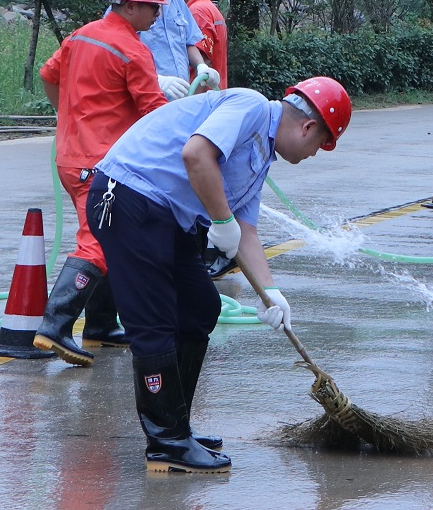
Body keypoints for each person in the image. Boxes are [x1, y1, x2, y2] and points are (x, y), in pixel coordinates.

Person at [90, 77, 351, 473]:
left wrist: (272, 293)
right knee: (156, 321)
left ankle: (177, 424)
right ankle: (166, 443)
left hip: (164, 214)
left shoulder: (262, 158)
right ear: (308, 127)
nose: (316, 154)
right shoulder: (250, 107)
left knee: (200, 307)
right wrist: (221, 218)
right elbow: (196, 155)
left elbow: (246, 231)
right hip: (129, 197)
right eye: (321, 145)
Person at [32, 0, 172, 365]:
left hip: (71, 156)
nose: (157, 14)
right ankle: (54, 327)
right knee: (96, 241)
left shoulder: (80, 36)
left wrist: (68, 117)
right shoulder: (132, 50)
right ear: (130, 6)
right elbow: (154, 115)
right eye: (153, 7)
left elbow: (48, 74)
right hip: (101, 164)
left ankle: (100, 326)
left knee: (114, 235)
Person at [169, 0, 229, 90]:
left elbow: (203, 68)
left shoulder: (197, 12)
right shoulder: (208, 7)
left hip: (202, 101)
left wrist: (192, 105)